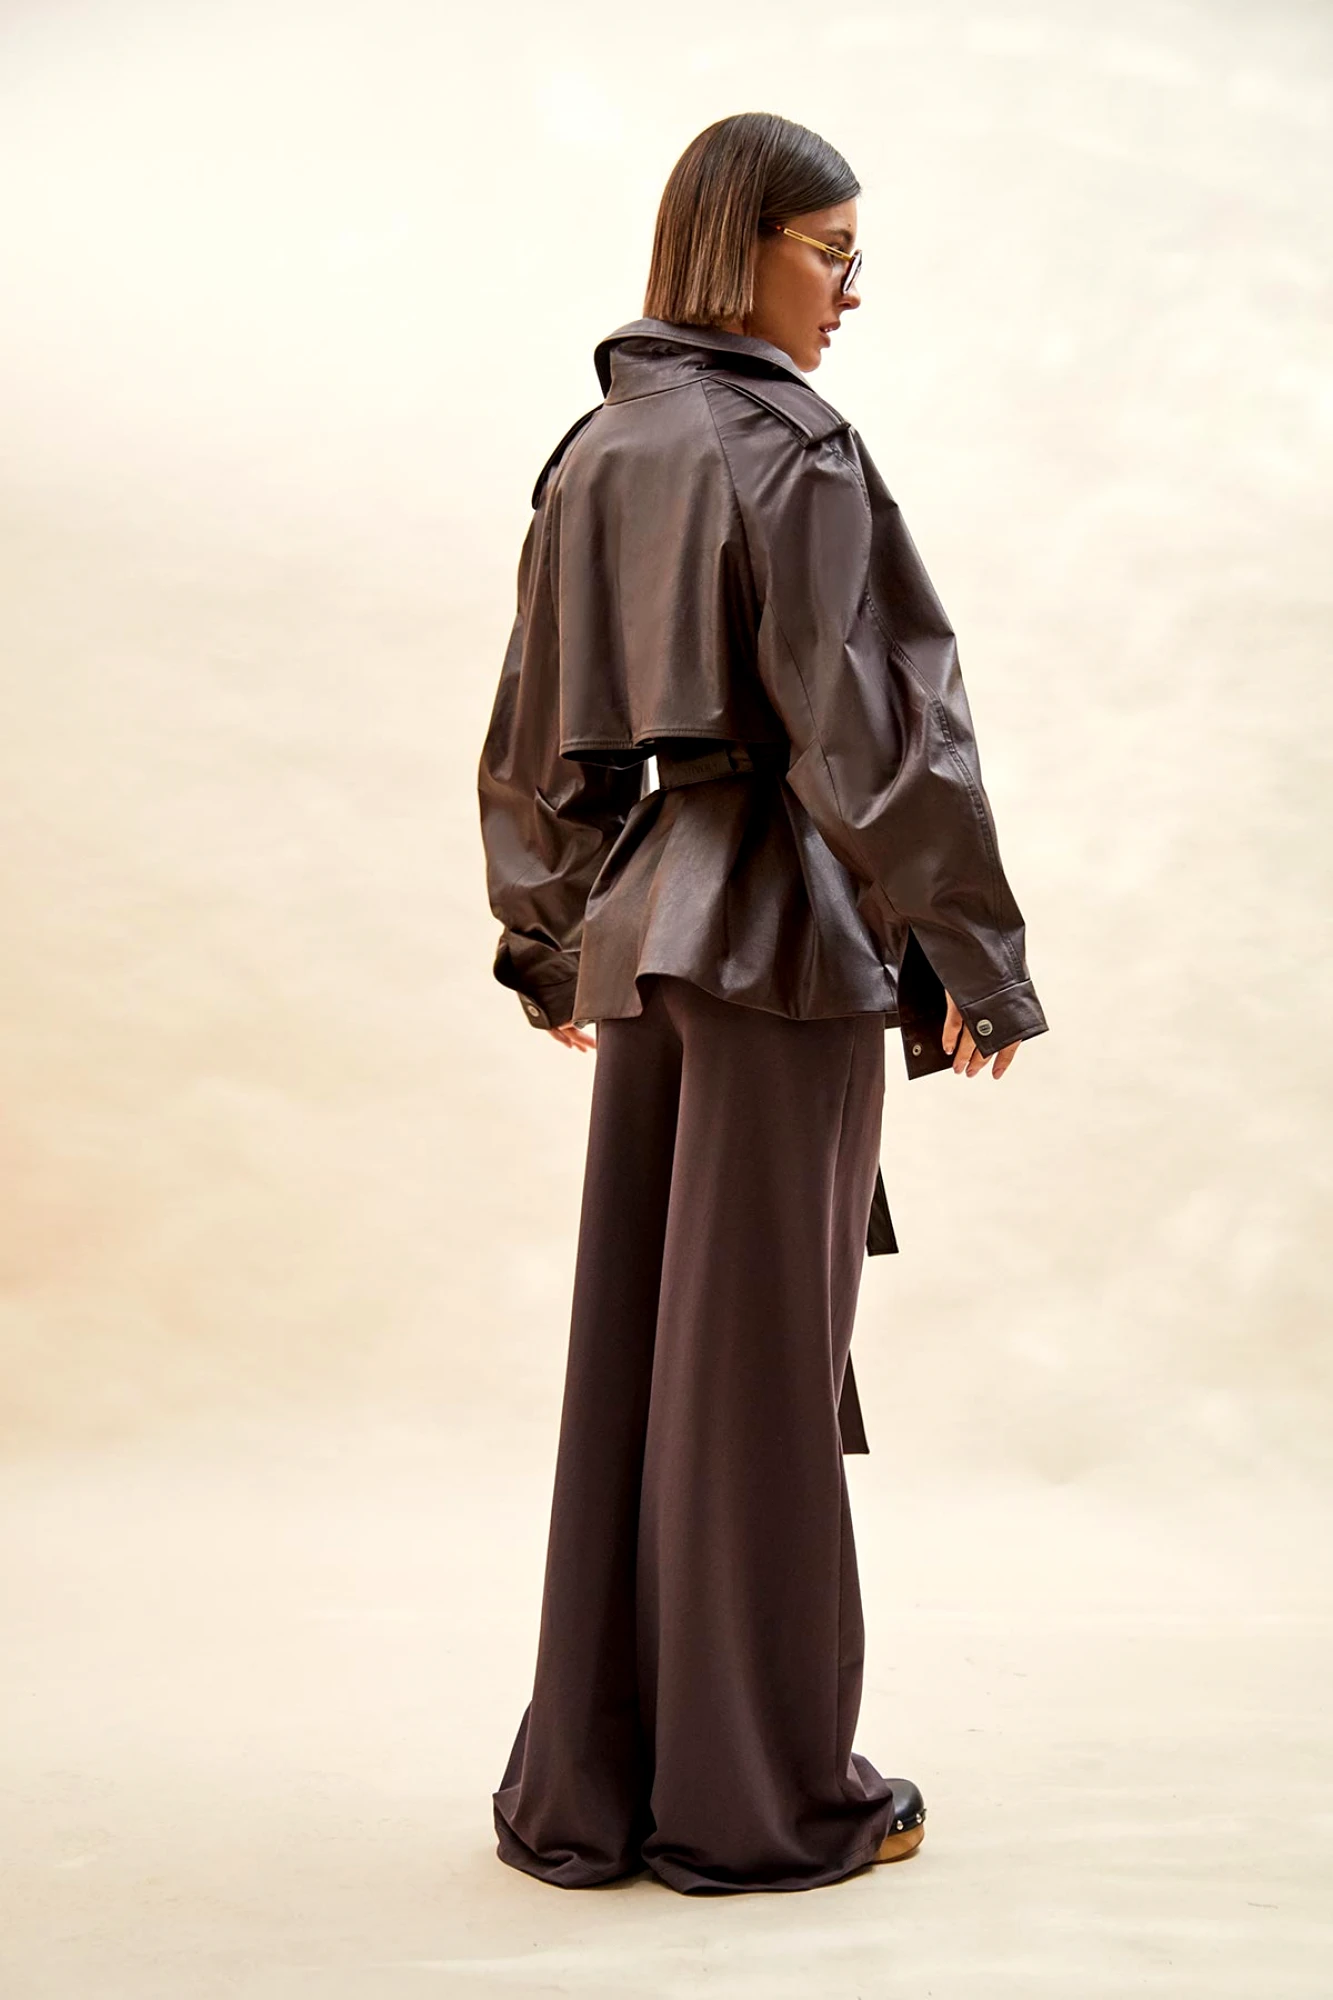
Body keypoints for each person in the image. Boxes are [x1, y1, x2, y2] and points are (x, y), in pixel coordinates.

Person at [476, 111, 1050, 1895]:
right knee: (759, 1380)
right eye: (833, 255)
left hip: (652, 933)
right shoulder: (793, 446)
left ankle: (595, 1783)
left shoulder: (597, 448)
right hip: (784, 940)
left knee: (640, 1368)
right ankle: (759, 1800)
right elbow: (876, 731)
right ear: (743, 249)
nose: (851, 295)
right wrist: (971, 954)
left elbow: (533, 724)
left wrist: (547, 931)